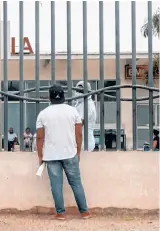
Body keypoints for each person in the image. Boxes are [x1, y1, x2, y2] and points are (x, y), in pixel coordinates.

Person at [36, 85, 91, 220]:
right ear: (64, 97)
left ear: (49, 98)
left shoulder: (43, 114)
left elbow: (39, 137)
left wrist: (40, 156)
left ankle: (61, 213)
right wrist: (78, 151)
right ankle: (84, 212)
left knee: (56, 184)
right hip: (70, 152)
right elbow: (79, 134)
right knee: (76, 183)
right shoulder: (73, 112)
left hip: (51, 155)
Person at [72, 81, 97, 152]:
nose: (78, 93)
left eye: (81, 91)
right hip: (79, 141)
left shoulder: (87, 105)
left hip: (85, 143)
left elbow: (79, 124)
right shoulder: (80, 103)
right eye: (77, 90)